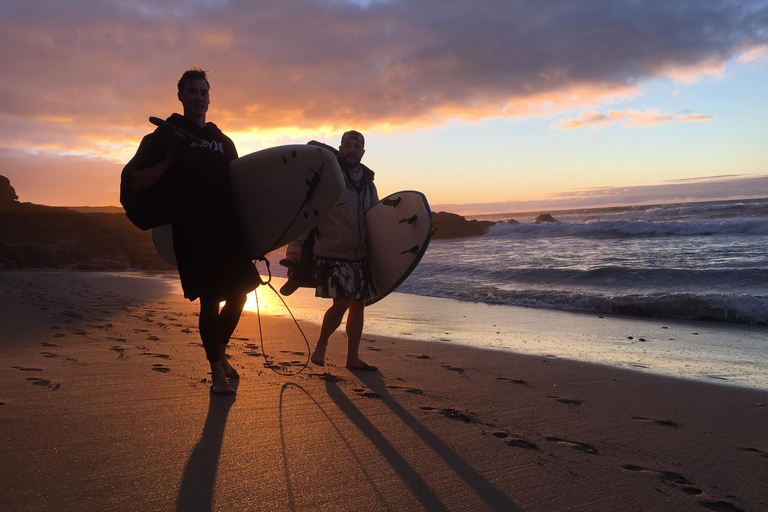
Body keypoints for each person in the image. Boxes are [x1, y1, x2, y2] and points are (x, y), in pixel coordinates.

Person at [121, 68, 258, 395]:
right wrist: (168, 162)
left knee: (241, 293)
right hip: (193, 232)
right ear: (181, 96)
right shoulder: (164, 137)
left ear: (209, 98)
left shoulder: (223, 142)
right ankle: (216, 373)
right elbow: (134, 181)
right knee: (210, 301)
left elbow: (240, 189)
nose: (199, 98)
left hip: (228, 230)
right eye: (192, 92)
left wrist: (258, 235)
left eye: (204, 93)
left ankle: (218, 350)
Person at [285, 130, 379, 371]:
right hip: (330, 251)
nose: (351, 151)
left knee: (359, 304)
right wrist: (294, 249)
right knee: (343, 302)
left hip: (359, 254)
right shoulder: (329, 178)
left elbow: (377, 218)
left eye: (356, 147)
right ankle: (321, 345)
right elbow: (308, 215)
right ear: (340, 148)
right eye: (347, 146)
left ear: (363, 152)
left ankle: (352, 358)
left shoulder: (368, 184)